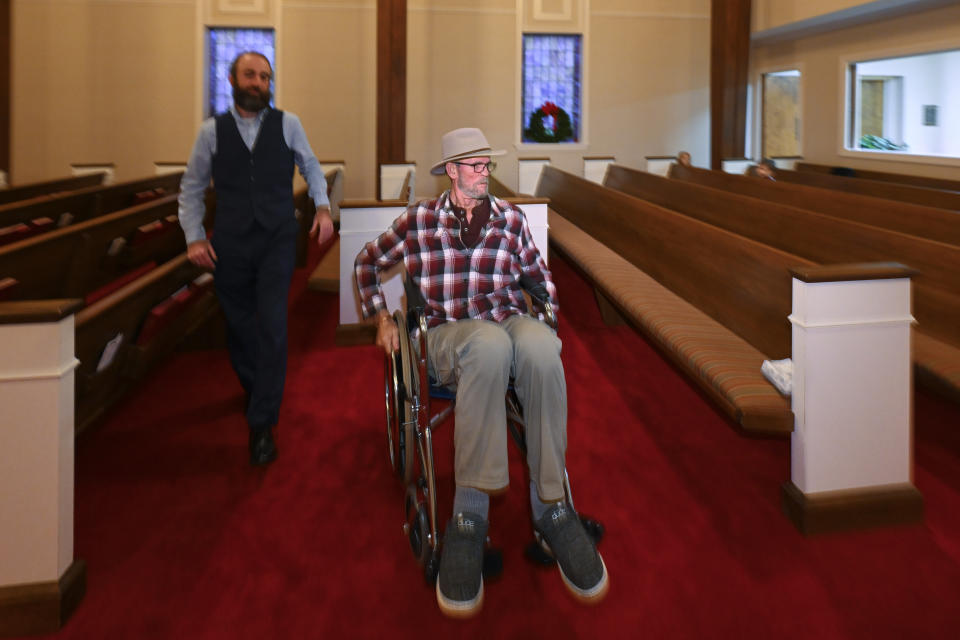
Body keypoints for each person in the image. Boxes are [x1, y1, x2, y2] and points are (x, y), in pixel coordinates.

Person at [355, 127, 608, 618]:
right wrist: (382, 318)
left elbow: (539, 278)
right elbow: (367, 265)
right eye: (474, 165)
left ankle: (552, 505)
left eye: (487, 165)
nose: (483, 173)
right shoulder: (419, 221)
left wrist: (546, 315)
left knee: (539, 346)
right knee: (488, 345)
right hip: (450, 336)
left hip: (507, 322)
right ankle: (469, 519)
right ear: (451, 171)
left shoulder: (511, 220)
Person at [177, 51, 335, 467]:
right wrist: (194, 237)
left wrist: (322, 208)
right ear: (232, 79)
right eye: (250, 75)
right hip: (229, 243)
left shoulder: (289, 123)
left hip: (276, 239)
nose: (258, 83)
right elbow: (191, 188)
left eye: (265, 77)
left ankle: (262, 424)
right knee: (240, 327)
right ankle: (257, 383)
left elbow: (312, 167)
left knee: (273, 324)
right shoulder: (211, 131)